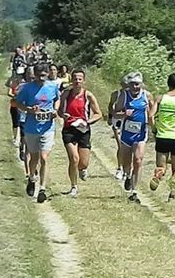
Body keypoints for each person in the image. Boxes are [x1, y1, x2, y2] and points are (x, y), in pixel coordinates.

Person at [14, 63, 60, 203]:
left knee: (44, 158)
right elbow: (17, 103)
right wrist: (29, 109)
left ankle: (42, 189)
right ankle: (32, 178)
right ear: (34, 75)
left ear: (47, 74)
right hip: (31, 128)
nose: (41, 78)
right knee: (34, 157)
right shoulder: (27, 88)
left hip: (47, 128)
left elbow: (57, 100)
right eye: (38, 76)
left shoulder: (52, 87)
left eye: (43, 76)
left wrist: (55, 110)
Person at [58, 69, 103, 197]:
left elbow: (99, 114)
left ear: (83, 81)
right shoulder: (66, 94)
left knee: (83, 163)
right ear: (71, 80)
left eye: (79, 79)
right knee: (74, 159)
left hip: (83, 130)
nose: (77, 81)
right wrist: (63, 115)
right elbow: (59, 111)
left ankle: (82, 169)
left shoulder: (88, 95)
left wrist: (88, 122)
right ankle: (73, 187)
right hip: (69, 129)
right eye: (75, 79)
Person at [114, 71, 154, 203]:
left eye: (137, 84)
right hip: (126, 134)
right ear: (128, 85)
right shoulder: (124, 96)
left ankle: (134, 192)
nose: (135, 87)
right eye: (132, 84)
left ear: (141, 84)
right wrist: (124, 114)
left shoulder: (146, 95)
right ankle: (128, 175)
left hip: (140, 134)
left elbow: (152, 111)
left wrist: (152, 123)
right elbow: (115, 113)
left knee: (138, 160)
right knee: (127, 161)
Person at [107, 77, 128, 180]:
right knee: (121, 146)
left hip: (129, 122)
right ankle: (120, 168)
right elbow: (110, 106)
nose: (126, 87)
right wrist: (110, 117)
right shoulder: (116, 94)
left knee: (129, 147)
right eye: (124, 84)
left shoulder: (135, 95)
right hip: (118, 121)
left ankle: (127, 169)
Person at [7, 72, 24, 147]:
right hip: (14, 106)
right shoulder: (14, 84)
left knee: (22, 123)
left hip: (22, 107)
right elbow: (9, 93)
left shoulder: (25, 85)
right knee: (15, 123)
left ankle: (20, 138)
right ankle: (15, 138)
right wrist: (15, 96)